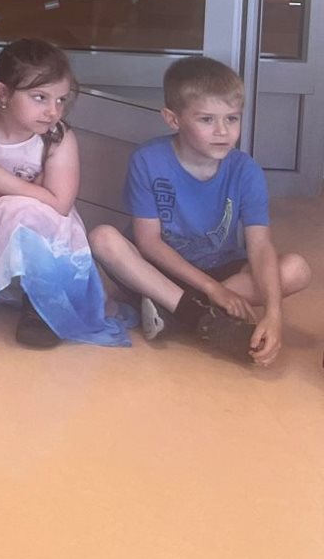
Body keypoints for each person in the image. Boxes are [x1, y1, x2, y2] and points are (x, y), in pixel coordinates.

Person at [88, 56, 311, 366]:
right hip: (159, 269)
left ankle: (172, 310)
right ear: (173, 119)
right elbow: (149, 243)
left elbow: (260, 246)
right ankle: (196, 314)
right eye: (207, 120)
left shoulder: (246, 170)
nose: (222, 131)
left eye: (232, 119)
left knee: (297, 269)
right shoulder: (148, 159)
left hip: (218, 266)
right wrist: (212, 289)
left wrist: (274, 315)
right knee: (102, 238)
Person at [0, 39, 126, 348]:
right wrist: (33, 192)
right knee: (22, 208)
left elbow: (59, 204)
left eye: (61, 100)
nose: (53, 111)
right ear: (3, 93)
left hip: (43, 229)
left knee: (26, 211)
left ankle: (40, 304)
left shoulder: (59, 138)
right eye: (40, 98)